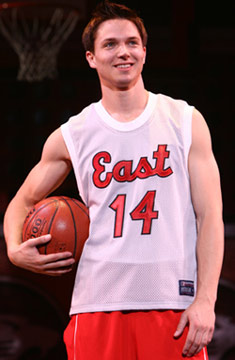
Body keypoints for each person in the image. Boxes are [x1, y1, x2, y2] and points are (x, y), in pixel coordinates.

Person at [3, 1, 224, 359]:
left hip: (173, 302)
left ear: (145, 52)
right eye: (110, 44)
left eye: (132, 42)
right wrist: (15, 251)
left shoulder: (184, 120)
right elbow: (21, 202)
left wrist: (206, 300)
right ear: (91, 57)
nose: (124, 51)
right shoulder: (73, 134)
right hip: (96, 304)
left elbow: (210, 216)